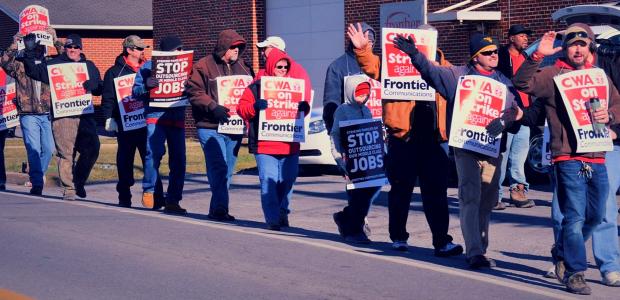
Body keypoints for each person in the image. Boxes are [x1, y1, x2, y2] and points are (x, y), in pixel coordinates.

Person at [385, 27, 521, 267]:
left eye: (495, 51)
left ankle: (480, 245)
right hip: (466, 148)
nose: (493, 55)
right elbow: (430, 72)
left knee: (486, 203)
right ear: (475, 56)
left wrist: (509, 119)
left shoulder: (504, 82)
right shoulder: (457, 76)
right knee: (470, 197)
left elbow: (516, 112)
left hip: (492, 150)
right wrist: (414, 55)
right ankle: (474, 252)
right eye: (487, 52)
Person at [513, 23, 620, 295]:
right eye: (572, 43)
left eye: (582, 44)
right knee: (573, 216)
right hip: (567, 157)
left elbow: (616, 105)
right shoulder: (552, 74)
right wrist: (536, 55)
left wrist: (611, 118)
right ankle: (575, 272)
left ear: (590, 48)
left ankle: (561, 250)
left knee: (595, 217)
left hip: (597, 155)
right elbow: (522, 83)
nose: (577, 48)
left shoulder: (599, 76)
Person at [348, 23, 463, 256]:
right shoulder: (395, 61)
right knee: (401, 192)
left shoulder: (445, 67)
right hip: (404, 138)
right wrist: (362, 50)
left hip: (435, 139)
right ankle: (399, 237)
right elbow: (372, 66)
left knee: (437, 194)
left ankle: (442, 241)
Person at [21, 33, 102, 201]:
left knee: (92, 149)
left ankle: (78, 181)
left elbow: (99, 87)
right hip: (63, 116)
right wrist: (29, 52)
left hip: (84, 115)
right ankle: (69, 189)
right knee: (66, 154)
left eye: (76, 47)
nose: (72, 50)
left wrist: (93, 84)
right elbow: (34, 72)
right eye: (69, 47)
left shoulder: (89, 65)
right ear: (65, 48)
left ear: (81, 48)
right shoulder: (54, 64)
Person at [237, 48, 310, 230]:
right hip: (265, 144)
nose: (283, 70)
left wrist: (304, 107)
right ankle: (273, 219)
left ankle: (283, 211)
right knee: (269, 181)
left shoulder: (295, 86)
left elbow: (302, 112)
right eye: (279, 66)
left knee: (288, 180)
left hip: (289, 144)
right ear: (271, 66)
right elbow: (241, 109)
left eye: (286, 67)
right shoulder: (257, 86)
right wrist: (255, 106)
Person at [187, 29, 254, 221]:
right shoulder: (203, 66)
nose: (236, 51)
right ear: (224, 46)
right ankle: (220, 210)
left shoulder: (244, 67)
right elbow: (194, 91)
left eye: (239, 47)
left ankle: (216, 208)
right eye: (233, 47)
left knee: (227, 172)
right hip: (209, 126)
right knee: (219, 168)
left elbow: (251, 92)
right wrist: (213, 106)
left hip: (233, 128)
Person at [101, 35, 164, 208]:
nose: (143, 51)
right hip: (126, 124)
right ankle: (124, 194)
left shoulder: (148, 69)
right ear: (129, 50)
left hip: (146, 122)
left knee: (151, 159)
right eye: (139, 48)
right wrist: (108, 118)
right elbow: (108, 98)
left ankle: (157, 197)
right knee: (125, 161)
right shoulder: (114, 72)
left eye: (144, 48)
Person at [0, 27, 61, 195]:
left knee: (49, 148)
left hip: (46, 112)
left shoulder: (50, 63)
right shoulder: (20, 66)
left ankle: (37, 174)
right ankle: (36, 183)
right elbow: (4, 60)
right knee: (33, 147)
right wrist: (15, 43)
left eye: (40, 46)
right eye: (34, 45)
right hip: (28, 114)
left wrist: (55, 39)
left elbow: (68, 58)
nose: (37, 48)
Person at [133, 35, 188, 215]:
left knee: (179, 160)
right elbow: (135, 92)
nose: (179, 52)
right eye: (175, 50)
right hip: (155, 117)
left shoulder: (187, 67)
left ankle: (173, 199)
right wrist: (146, 87)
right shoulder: (148, 67)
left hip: (177, 117)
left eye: (181, 49)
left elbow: (195, 89)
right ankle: (149, 190)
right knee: (152, 154)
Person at [330, 76, 380, 243]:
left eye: (366, 94)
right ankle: (354, 230)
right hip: (351, 162)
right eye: (359, 94)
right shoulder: (342, 110)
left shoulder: (366, 110)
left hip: (369, 162)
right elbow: (335, 135)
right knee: (358, 196)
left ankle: (344, 218)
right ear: (351, 92)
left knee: (369, 192)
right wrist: (339, 159)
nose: (363, 98)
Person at [495, 24, 535, 209]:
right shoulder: (500, 56)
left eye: (527, 36)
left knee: (519, 155)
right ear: (511, 38)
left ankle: (518, 190)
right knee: (501, 154)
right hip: (506, 113)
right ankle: (494, 195)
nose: (526, 38)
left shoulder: (526, 57)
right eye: (522, 35)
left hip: (524, 113)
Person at [323, 22, 376, 133]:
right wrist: (334, 132)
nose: (368, 44)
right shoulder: (337, 67)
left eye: (371, 41)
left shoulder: (378, 65)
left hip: (375, 133)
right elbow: (331, 104)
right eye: (365, 40)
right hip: (350, 132)